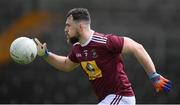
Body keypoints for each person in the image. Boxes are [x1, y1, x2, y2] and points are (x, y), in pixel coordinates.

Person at [34, 8, 172, 105]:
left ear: (81, 27)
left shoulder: (105, 41)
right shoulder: (77, 49)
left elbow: (137, 48)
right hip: (107, 100)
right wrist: (45, 55)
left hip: (121, 98)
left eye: (68, 25)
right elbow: (65, 64)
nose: (65, 29)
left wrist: (154, 76)